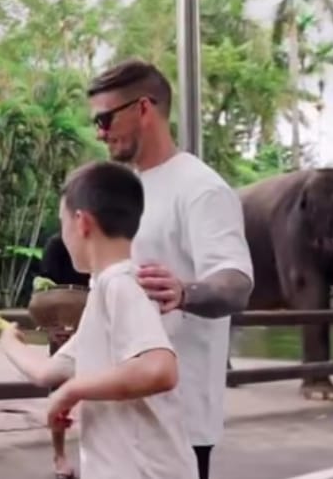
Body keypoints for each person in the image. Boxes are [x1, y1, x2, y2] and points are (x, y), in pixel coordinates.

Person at [86, 58, 254, 479]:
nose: (99, 132)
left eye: (105, 119)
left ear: (144, 108)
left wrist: (184, 293)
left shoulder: (201, 189)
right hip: (122, 415)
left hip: (178, 423)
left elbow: (236, 283)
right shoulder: (128, 191)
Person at [0, 160, 197, 479]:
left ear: (82, 223)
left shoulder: (121, 284)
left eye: (62, 223)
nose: (62, 235)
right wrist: (9, 342)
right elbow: (49, 371)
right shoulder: (106, 291)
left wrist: (72, 391)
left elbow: (159, 369)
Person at [30, 233, 88, 479]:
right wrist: (51, 327)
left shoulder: (103, 237)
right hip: (63, 324)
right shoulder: (57, 244)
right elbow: (45, 291)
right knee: (59, 391)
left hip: (97, 321)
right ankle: (59, 454)